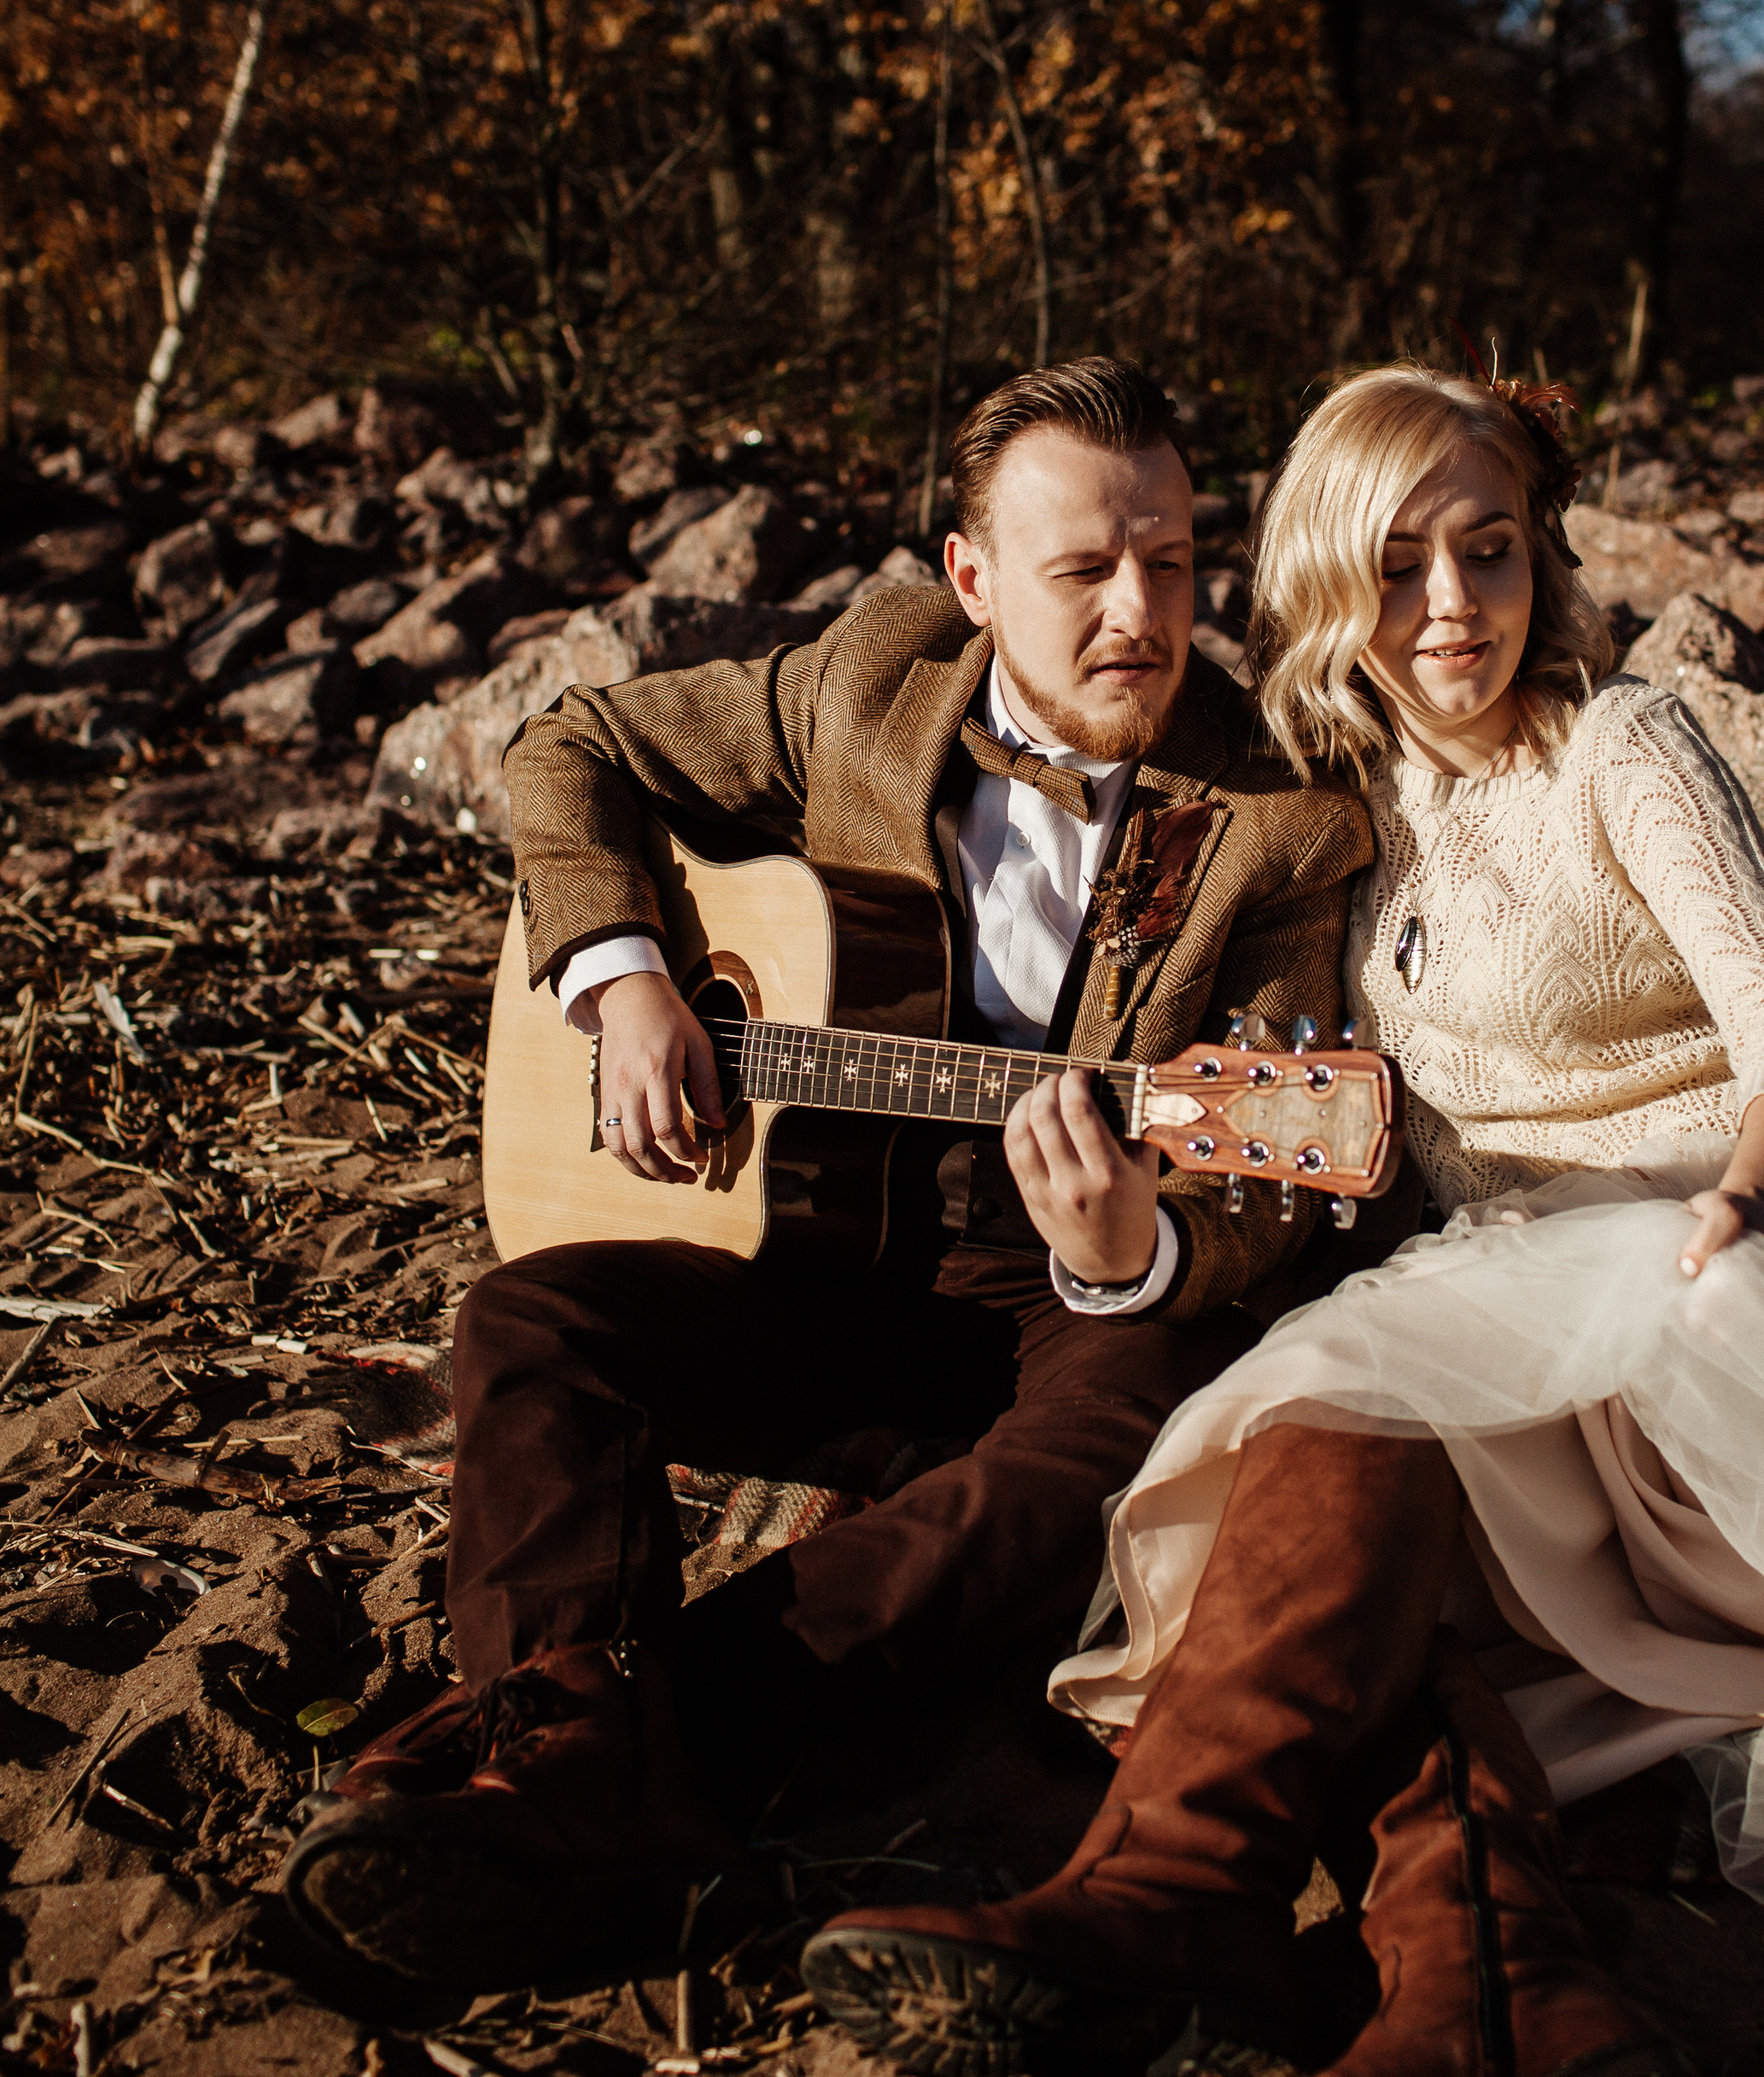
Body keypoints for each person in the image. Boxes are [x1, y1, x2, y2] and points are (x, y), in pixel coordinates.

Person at [803, 363, 1764, 2077]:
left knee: (1340, 1406)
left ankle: (1203, 1898)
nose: (1450, 607)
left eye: (1489, 551)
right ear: (1316, 585)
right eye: (1395, 564)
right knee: (1366, 1498)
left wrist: (1739, 1236)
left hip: (1748, 1229)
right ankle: (1399, 1965)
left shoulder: (1618, 741)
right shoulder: (1333, 794)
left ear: (1540, 561)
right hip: (1532, 1266)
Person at [283, 358, 1372, 1990]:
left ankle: (578, 1761)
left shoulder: (1276, 808)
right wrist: (629, 979)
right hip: (824, 1252)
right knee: (528, 1324)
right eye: (1083, 569)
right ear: (972, 578)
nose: (1140, 612)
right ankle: (586, 1765)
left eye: (1173, 559)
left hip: (1069, 1289)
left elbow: (1277, 1180)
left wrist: (1140, 1244)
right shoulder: (865, 684)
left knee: (1107, 1457)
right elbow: (569, 750)